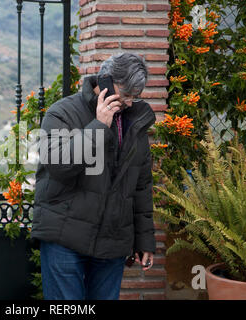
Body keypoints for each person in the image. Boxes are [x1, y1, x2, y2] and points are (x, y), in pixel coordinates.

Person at [31, 53, 156, 300]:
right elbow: (59, 165)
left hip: (112, 241)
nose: (130, 102)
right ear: (106, 81)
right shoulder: (61, 113)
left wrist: (144, 240)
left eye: (135, 96)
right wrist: (99, 126)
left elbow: (141, 185)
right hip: (65, 237)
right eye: (126, 93)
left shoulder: (135, 122)